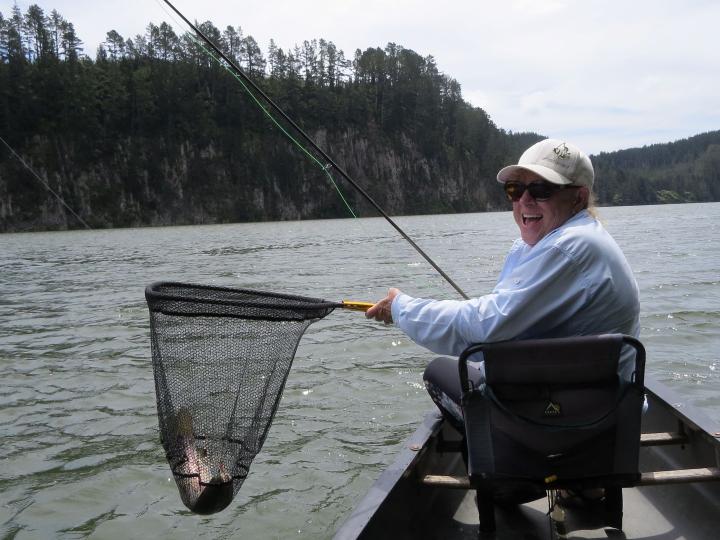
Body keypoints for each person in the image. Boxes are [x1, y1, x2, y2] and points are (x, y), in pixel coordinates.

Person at [366, 138, 640, 437]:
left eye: (541, 190)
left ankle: (509, 466)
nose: (524, 200)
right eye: (515, 189)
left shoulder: (567, 247)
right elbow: (499, 325)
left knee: (440, 372)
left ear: (578, 198)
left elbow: (486, 329)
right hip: (599, 410)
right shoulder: (568, 239)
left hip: (566, 419)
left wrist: (402, 308)